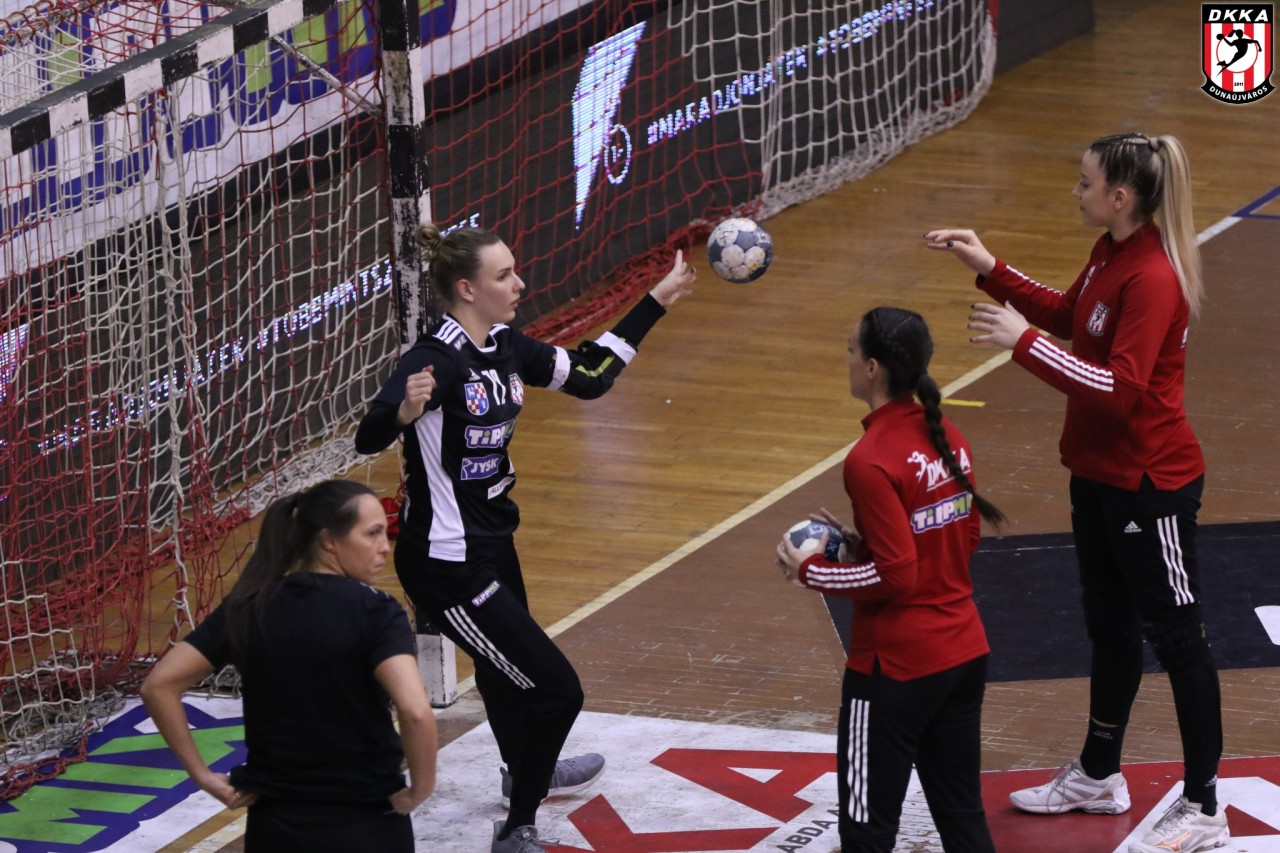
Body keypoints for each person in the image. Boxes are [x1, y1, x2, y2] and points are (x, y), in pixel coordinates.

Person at [925, 132, 1228, 853]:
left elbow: (1121, 389)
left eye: (1085, 183)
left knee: (1178, 638)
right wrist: (992, 269)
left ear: (1119, 197)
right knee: (1110, 628)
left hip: (1149, 484)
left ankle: (1204, 805)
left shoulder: (1152, 276)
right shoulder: (1113, 251)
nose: (1077, 191)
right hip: (1097, 474)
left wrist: (1021, 343)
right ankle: (1097, 774)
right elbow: (1073, 317)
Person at [355, 223, 695, 853]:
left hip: (494, 542)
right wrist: (402, 412)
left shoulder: (505, 346)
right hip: (447, 561)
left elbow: (590, 375)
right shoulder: (435, 360)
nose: (520, 283)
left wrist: (655, 302)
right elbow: (367, 434)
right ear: (467, 289)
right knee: (555, 691)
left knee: (504, 669)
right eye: (504, 275)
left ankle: (524, 769)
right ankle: (518, 826)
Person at [777, 306, 1005, 853]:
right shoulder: (948, 435)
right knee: (962, 817)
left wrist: (813, 572)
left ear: (873, 368)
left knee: (866, 831)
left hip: (894, 672)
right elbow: (964, 536)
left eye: (851, 350)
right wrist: (867, 545)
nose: (848, 360)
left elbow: (897, 576)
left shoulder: (869, 459)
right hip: (962, 653)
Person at [140, 479, 438, 853]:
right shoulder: (376, 611)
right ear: (329, 541)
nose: (384, 546)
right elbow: (415, 712)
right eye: (372, 533)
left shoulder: (251, 605)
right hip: (366, 824)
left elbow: (158, 686)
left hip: (275, 828)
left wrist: (202, 776)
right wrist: (418, 791)